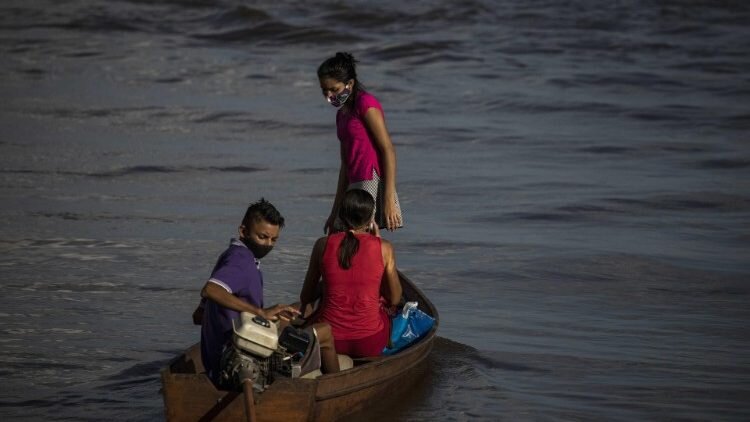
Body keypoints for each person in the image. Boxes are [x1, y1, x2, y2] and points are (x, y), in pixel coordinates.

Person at [194, 198, 339, 384]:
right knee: (325, 332)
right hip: (240, 362)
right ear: (243, 231)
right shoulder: (241, 262)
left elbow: (198, 316)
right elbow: (211, 290)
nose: (268, 244)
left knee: (291, 312)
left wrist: (264, 315)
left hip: (223, 354)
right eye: (262, 237)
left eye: (274, 239)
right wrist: (260, 312)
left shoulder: (229, 256)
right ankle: (337, 388)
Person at [299, 189, 403, 358]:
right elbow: (395, 298)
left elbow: (306, 297)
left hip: (332, 341)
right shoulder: (384, 247)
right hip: (369, 342)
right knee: (386, 312)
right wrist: (378, 242)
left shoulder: (322, 245)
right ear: (370, 219)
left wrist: (327, 285)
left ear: (341, 215)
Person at [318, 52, 404, 233]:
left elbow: (387, 149)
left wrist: (388, 198)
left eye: (334, 89)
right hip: (353, 183)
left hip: (370, 180)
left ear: (349, 83)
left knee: (364, 242)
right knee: (340, 237)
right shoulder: (341, 115)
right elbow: (345, 164)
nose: (329, 96)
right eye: (324, 90)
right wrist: (334, 212)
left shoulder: (365, 103)